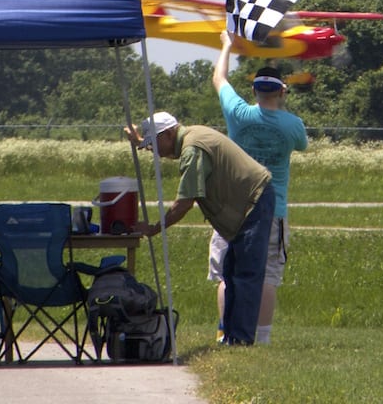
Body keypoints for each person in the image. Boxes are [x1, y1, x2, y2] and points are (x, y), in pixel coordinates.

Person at [128, 111, 275, 345]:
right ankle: (233, 337)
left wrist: (154, 228)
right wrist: (140, 141)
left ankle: (241, 339)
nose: (154, 151)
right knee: (233, 271)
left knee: (246, 274)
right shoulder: (192, 137)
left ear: (167, 134)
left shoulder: (192, 149)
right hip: (249, 202)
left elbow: (185, 202)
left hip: (253, 201)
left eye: (153, 143)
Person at [210, 29, 308, 344]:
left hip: (232, 206)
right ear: (282, 93)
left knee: (228, 274)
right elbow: (302, 145)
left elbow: (219, 80)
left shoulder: (239, 114)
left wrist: (226, 46)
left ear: (253, 91)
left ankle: (224, 332)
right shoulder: (293, 126)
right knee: (266, 276)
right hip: (273, 209)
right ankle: (261, 338)